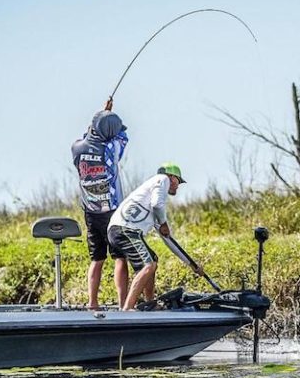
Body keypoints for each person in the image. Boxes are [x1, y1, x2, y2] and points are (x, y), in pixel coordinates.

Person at [107, 163, 205, 311]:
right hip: (125, 229)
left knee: (152, 259)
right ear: (171, 177)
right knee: (148, 265)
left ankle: (150, 303)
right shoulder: (162, 179)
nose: (177, 186)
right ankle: (127, 309)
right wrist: (164, 223)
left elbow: (168, 239)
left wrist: (192, 265)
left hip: (120, 230)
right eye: (178, 181)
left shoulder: (151, 201)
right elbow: (158, 204)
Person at [71, 99, 130, 310]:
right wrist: (108, 119)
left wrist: (102, 115)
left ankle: (92, 303)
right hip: (112, 212)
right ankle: (124, 304)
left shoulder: (76, 148)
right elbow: (123, 136)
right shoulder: (111, 149)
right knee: (120, 257)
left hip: (90, 212)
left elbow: (88, 135)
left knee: (96, 259)